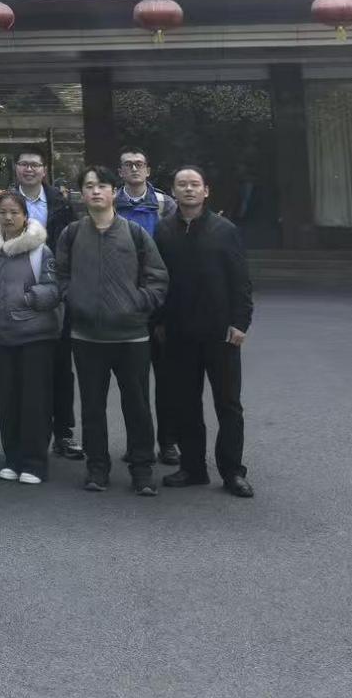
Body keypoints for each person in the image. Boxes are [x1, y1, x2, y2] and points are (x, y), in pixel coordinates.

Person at [54, 164, 169, 496]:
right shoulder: (72, 234)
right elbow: (60, 276)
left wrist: (137, 303)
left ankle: (142, 470)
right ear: (82, 193)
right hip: (86, 336)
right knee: (92, 407)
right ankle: (97, 468)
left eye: (102, 185)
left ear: (113, 192)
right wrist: (74, 299)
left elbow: (158, 277)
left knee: (137, 406)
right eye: (89, 186)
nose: (95, 191)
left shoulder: (134, 233)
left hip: (132, 336)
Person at [155, 166, 254, 499]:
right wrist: (159, 322)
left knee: (228, 405)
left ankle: (233, 472)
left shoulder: (225, 230)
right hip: (179, 333)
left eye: (194, 184)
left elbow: (241, 281)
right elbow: (159, 281)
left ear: (206, 191)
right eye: (182, 184)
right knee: (185, 404)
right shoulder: (164, 230)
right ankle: (193, 467)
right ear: (173, 191)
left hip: (221, 333)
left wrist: (241, 323)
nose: (188, 189)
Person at [0, 189, 62, 485]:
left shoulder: (40, 249)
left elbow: (54, 289)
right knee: (9, 401)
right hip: (2, 335)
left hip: (35, 336)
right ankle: (13, 458)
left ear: (26, 216)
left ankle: (34, 462)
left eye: (14, 212)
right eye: (2, 212)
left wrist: (28, 298)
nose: (8, 217)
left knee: (35, 402)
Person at [12, 148, 82, 463]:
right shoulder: (6, 203)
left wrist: (64, 288)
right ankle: (26, 435)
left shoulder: (60, 203)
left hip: (55, 294)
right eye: (24, 164)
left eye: (35, 165)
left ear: (44, 170)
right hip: (16, 295)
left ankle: (63, 433)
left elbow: (71, 247)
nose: (29, 169)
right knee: (22, 370)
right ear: (16, 169)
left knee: (60, 368)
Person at [116, 148, 179, 466]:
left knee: (166, 380)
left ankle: (168, 442)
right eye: (128, 165)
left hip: (160, 302)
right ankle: (138, 444)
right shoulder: (112, 202)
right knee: (133, 384)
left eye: (139, 164)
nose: (134, 169)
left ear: (148, 170)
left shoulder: (167, 205)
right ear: (121, 172)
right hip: (125, 304)